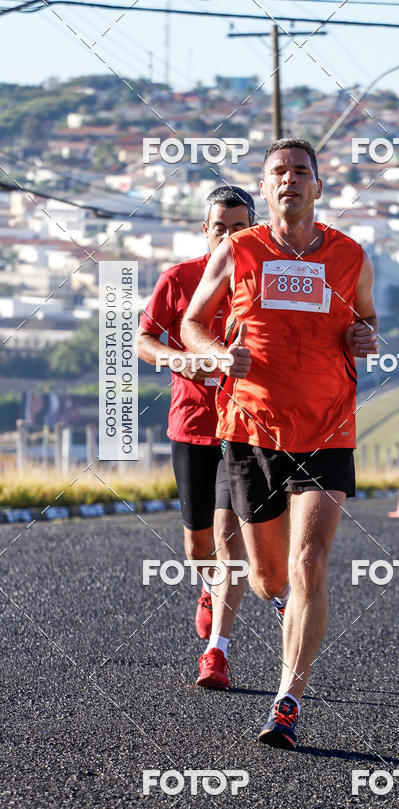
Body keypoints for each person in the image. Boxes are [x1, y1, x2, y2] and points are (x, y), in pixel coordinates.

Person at [181, 137, 377, 748]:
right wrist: (216, 353)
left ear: (318, 187)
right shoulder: (240, 249)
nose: (289, 179)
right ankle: (285, 611)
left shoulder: (349, 255)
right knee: (268, 579)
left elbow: (365, 319)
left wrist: (364, 337)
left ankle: (288, 697)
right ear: (264, 189)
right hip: (252, 429)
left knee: (308, 561)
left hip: (326, 427)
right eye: (277, 172)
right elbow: (191, 322)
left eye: (300, 171)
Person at [135, 185, 254, 688]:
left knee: (231, 543)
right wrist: (176, 359)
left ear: (253, 230)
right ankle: (209, 588)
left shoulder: (269, 279)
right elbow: (144, 339)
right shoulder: (179, 278)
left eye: (239, 227)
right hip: (191, 424)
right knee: (197, 543)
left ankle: (217, 652)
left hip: (248, 426)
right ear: (206, 231)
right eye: (220, 227)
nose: (229, 236)